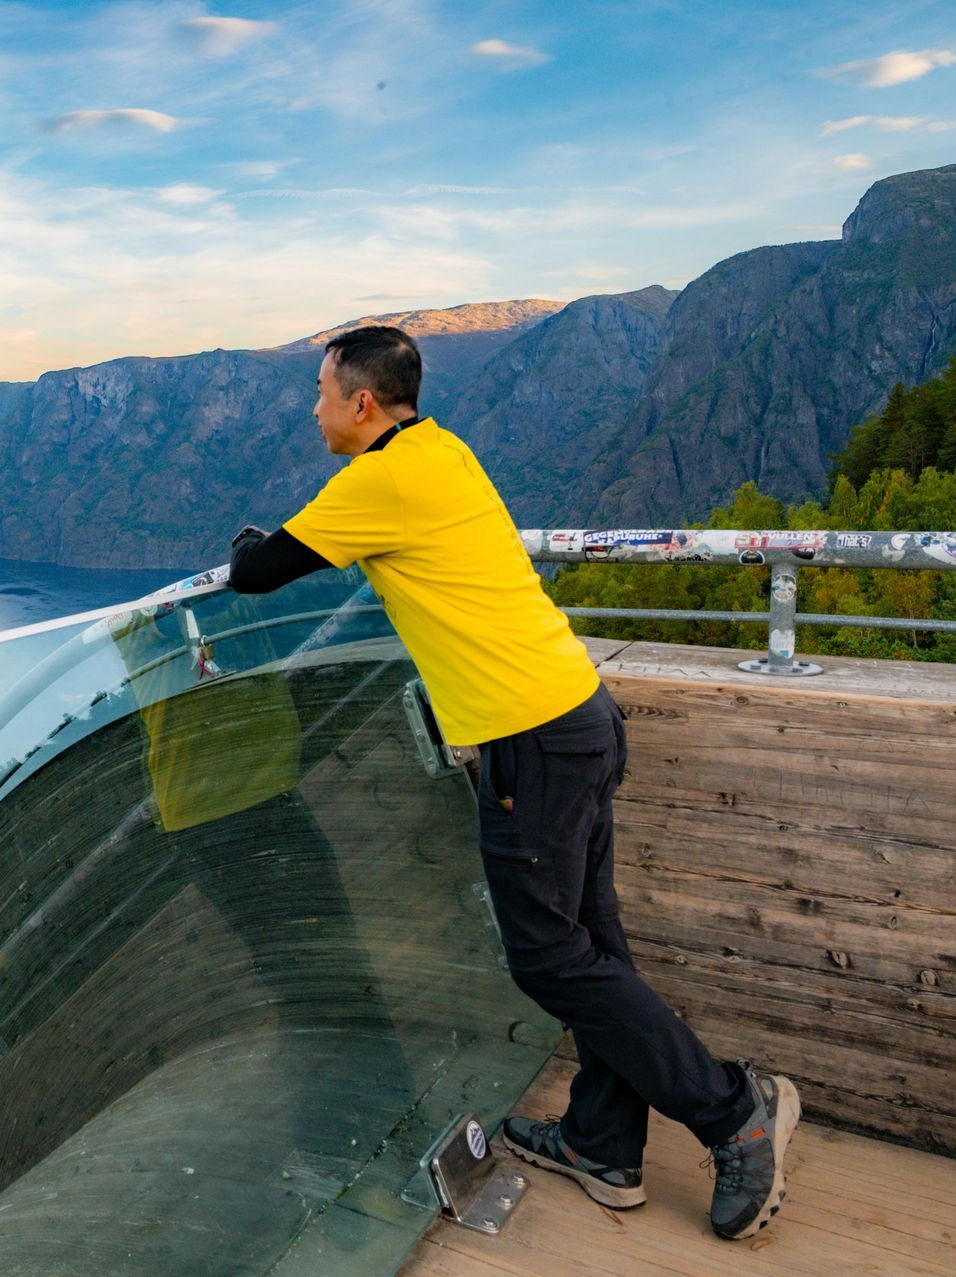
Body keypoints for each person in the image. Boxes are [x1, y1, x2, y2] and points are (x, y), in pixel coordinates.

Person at [226, 324, 798, 1242]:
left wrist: (250, 540)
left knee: (547, 956)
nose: (314, 408)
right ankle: (602, 1143)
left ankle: (735, 1110)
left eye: (322, 392)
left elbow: (258, 572)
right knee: (592, 943)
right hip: (578, 710)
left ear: (361, 403)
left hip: (530, 742)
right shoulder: (444, 450)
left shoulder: (376, 479)